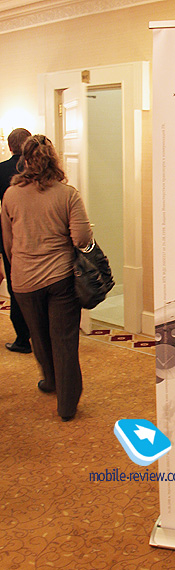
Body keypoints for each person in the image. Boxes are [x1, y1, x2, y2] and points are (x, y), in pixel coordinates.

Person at [1, 135, 92, 422]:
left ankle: (50, 381)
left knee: (39, 337)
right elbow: (82, 238)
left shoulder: (10, 195)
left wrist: (18, 264)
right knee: (64, 340)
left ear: (23, 161)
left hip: (24, 279)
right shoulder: (67, 194)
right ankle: (66, 406)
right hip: (60, 277)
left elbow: (7, 242)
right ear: (54, 159)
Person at [0, 127, 32, 353]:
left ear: (10, 146)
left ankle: (22, 339)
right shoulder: (37, 169)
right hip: (38, 236)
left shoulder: (1, 170)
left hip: (10, 236)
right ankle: (42, 335)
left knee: (16, 288)